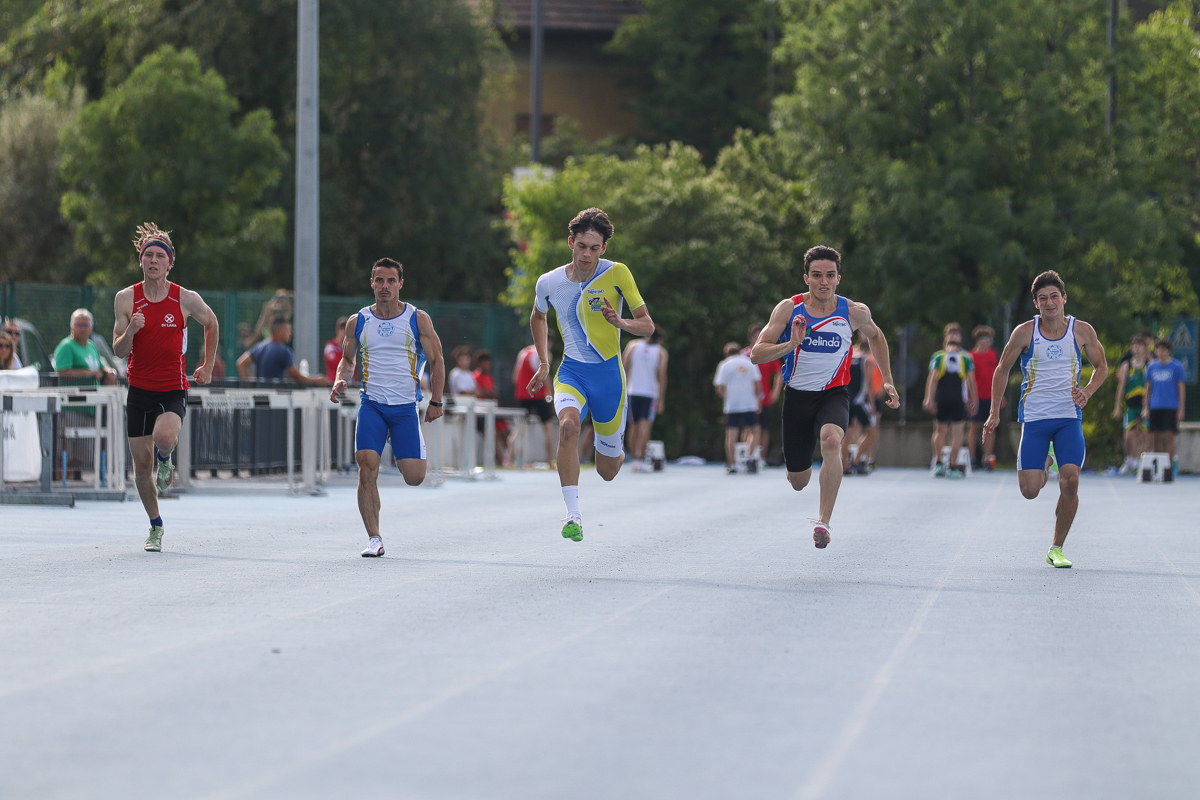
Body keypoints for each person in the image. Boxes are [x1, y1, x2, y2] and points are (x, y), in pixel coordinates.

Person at [750, 245, 900, 549]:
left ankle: (823, 522)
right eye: (817, 275)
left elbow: (876, 336)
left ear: (838, 278)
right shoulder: (789, 309)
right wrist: (791, 344)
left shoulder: (854, 312)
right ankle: (797, 470)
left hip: (834, 394)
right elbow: (756, 354)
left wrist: (887, 379)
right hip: (797, 397)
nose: (824, 281)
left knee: (832, 442)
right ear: (806, 278)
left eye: (830, 275)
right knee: (799, 481)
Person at [526, 207, 654, 542]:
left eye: (594, 248)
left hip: (609, 378)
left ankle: (616, 449)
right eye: (582, 246)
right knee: (568, 427)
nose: (587, 254)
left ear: (603, 248)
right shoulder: (549, 282)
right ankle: (573, 515)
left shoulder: (617, 273)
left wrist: (620, 322)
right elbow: (538, 316)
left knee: (607, 470)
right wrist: (544, 362)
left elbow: (647, 326)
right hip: (572, 372)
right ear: (571, 242)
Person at [984, 271, 1108, 568]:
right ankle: (1047, 460)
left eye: (1054, 296)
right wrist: (994, 412)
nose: (1049, 302)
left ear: (1064, 298)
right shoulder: (1025, 333)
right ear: (1036, 303)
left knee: (1071, 481)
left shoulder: (1082, 331)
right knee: (1030, 491)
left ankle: (1057, 547)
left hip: (1068, 417)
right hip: (1036, 419)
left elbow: (1102, 366)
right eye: (1043, 298)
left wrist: (1087, 391)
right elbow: (1002, 369)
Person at [112, 223, 220, 553]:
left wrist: (208, 365)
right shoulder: (126, 298)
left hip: (172, 388)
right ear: (141, 260)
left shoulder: (185, 298)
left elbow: (212, 323)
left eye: (160, 256)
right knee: (141, 469)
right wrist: (131, 330)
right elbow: (118, 349)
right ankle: (155, 525)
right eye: (149, 255)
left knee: (163, 438)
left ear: (170, 263)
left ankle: (166, 456)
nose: (154, 261)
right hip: (139, 390)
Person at [330, 258, 445, 557]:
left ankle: (399, 438)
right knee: (366, 466)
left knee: (414, 477)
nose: (385, 286)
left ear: (400, 284)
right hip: (373, 405)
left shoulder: (417, 319)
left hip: (405, 408)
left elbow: (437, 361)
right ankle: (374, 538)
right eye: (379, 280)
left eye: (391, 281)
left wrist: (436, 400)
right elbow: (347, 359)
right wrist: (340, 379)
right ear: (372, 283)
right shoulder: (358, 321)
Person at [923, 327, 977, 478]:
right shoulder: (965, 358)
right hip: (956, 399)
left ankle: (940, 463)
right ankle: (951, 466)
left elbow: (932, 378)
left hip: (943, 398)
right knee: (956, 432)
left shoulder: (939, 356)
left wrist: (929, 398)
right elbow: (971, 382)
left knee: (940, 430)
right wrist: (974, 401)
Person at [235, 317, 329, 386]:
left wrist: (250, 386)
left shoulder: (259, 347)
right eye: (288, 330)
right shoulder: (284, 351)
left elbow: (240, 363)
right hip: (276, 398)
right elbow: (296, 376)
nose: (290, 333)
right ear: (279, 331)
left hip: (260, 396)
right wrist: (317, 380)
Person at [623, 326, 668, 471]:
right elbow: (662, 376)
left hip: (632, 391)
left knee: (633, 426)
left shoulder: (633, 345)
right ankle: (640, 459)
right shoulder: (661, 352)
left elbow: (623, 366)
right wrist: (661, 399)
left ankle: (634, 459)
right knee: (645, 427)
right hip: (649, 393)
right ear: (659, 339)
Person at [714, 342, 761, 474]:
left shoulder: (724, 364)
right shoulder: (750, 362)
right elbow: (758, 384)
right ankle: (749, 457)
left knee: (731, 434)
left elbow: (719, 386)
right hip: (749, 403)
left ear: (727, 354)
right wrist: (758, 400)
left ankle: (732, 464)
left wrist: (726, 397)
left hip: (732, 405)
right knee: (755, 431)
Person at [1143, 338, 1187, 475]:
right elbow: (1147, 388)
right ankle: (1158, 466)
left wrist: (1181, 409)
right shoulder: (1151, 367)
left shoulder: (1177, 366)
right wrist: (1145, 407)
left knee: (1169, 436)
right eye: (1158, 349)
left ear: (1168, 351)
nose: (1160, 352)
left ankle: (1169, 467)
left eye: (1163, 349)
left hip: (1170, 406)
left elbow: (1181, 389)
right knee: (1155, 436)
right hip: (1155, 406)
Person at [743, 323, 783, 467]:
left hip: (765, 398)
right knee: (748, 428)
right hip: (748, 399)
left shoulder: (768, 354)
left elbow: (779, 373)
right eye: (756, 336)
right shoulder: (744, 355)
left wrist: (775, 391)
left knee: (764, 429)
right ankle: (746, 457)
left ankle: (761, 458)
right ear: (750, 338)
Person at [1112, 332, 1151, 474]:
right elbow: (1121, 386)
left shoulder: (1149, 365)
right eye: (1134, 345)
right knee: (1128, 434)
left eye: (1139, 345)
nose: (1136, 348)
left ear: (1145, 348)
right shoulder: (1127, 365)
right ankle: (1129, 460)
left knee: (1145, 435)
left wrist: (1147, 407)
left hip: (1145, 404)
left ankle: (1142, 461)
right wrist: (1117, 406)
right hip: (1131, 404)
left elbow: (1150, 386)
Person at [512, 341, 556, 467]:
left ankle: (509, 458)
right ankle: (549, 461)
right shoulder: (545, 353)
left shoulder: (523, 352)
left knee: (519, 427)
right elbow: (545, 376)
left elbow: (515, 377)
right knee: (548, 426)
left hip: (522, 393)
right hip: (538, 394)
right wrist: (551, 394)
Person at [841, 336, 880, 474]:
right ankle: (857, 460)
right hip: (859, 401)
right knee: (873, 432)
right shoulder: (866, 360)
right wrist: (872, 403)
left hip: (845, 400)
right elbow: (869, 383)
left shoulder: (847, 357)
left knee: (846, 434)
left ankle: (845, 465)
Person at [53, 309, 117, 387]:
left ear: (91, 328)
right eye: (79, 325)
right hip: (74, 393)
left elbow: (100, 366)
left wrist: (109, 372)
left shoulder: (91, 345)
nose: (82, 329)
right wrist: (88, 373)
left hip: (94, 392)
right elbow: (61, 373)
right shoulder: (66, 346)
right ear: (71, 327)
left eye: (86, 325)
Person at [967, 325, 1001, 471]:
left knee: (990, 428)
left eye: (990, 339)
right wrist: (969, 398)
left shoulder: (992, 355)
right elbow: (968, 380)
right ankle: (971, 458)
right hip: (975, 397)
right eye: (985, 339)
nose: (988, 342)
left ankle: (987, 457)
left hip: (990, 397)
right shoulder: (970, 356)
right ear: (978, 340)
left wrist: (1000, 396)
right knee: (973, 427)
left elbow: (998, 375)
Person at [472, 349, 510, 466]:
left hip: (492, 411)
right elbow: (479, 393)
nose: (487, 365)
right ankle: (502, 461)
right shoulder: (475, 376)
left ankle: (510, 459)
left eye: (488, 362)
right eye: (484, 362)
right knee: (493, 434)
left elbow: (493, 394)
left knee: (506, 431)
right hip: (481, 412)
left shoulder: (489, 377)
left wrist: (487, 393)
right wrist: (488, 393)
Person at [324, 316, 348, 382]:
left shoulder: (351, 348)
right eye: (343, 330)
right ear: (338, 330)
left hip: (349, 385)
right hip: (334, 384)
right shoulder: (330, 346)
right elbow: (336, 363)